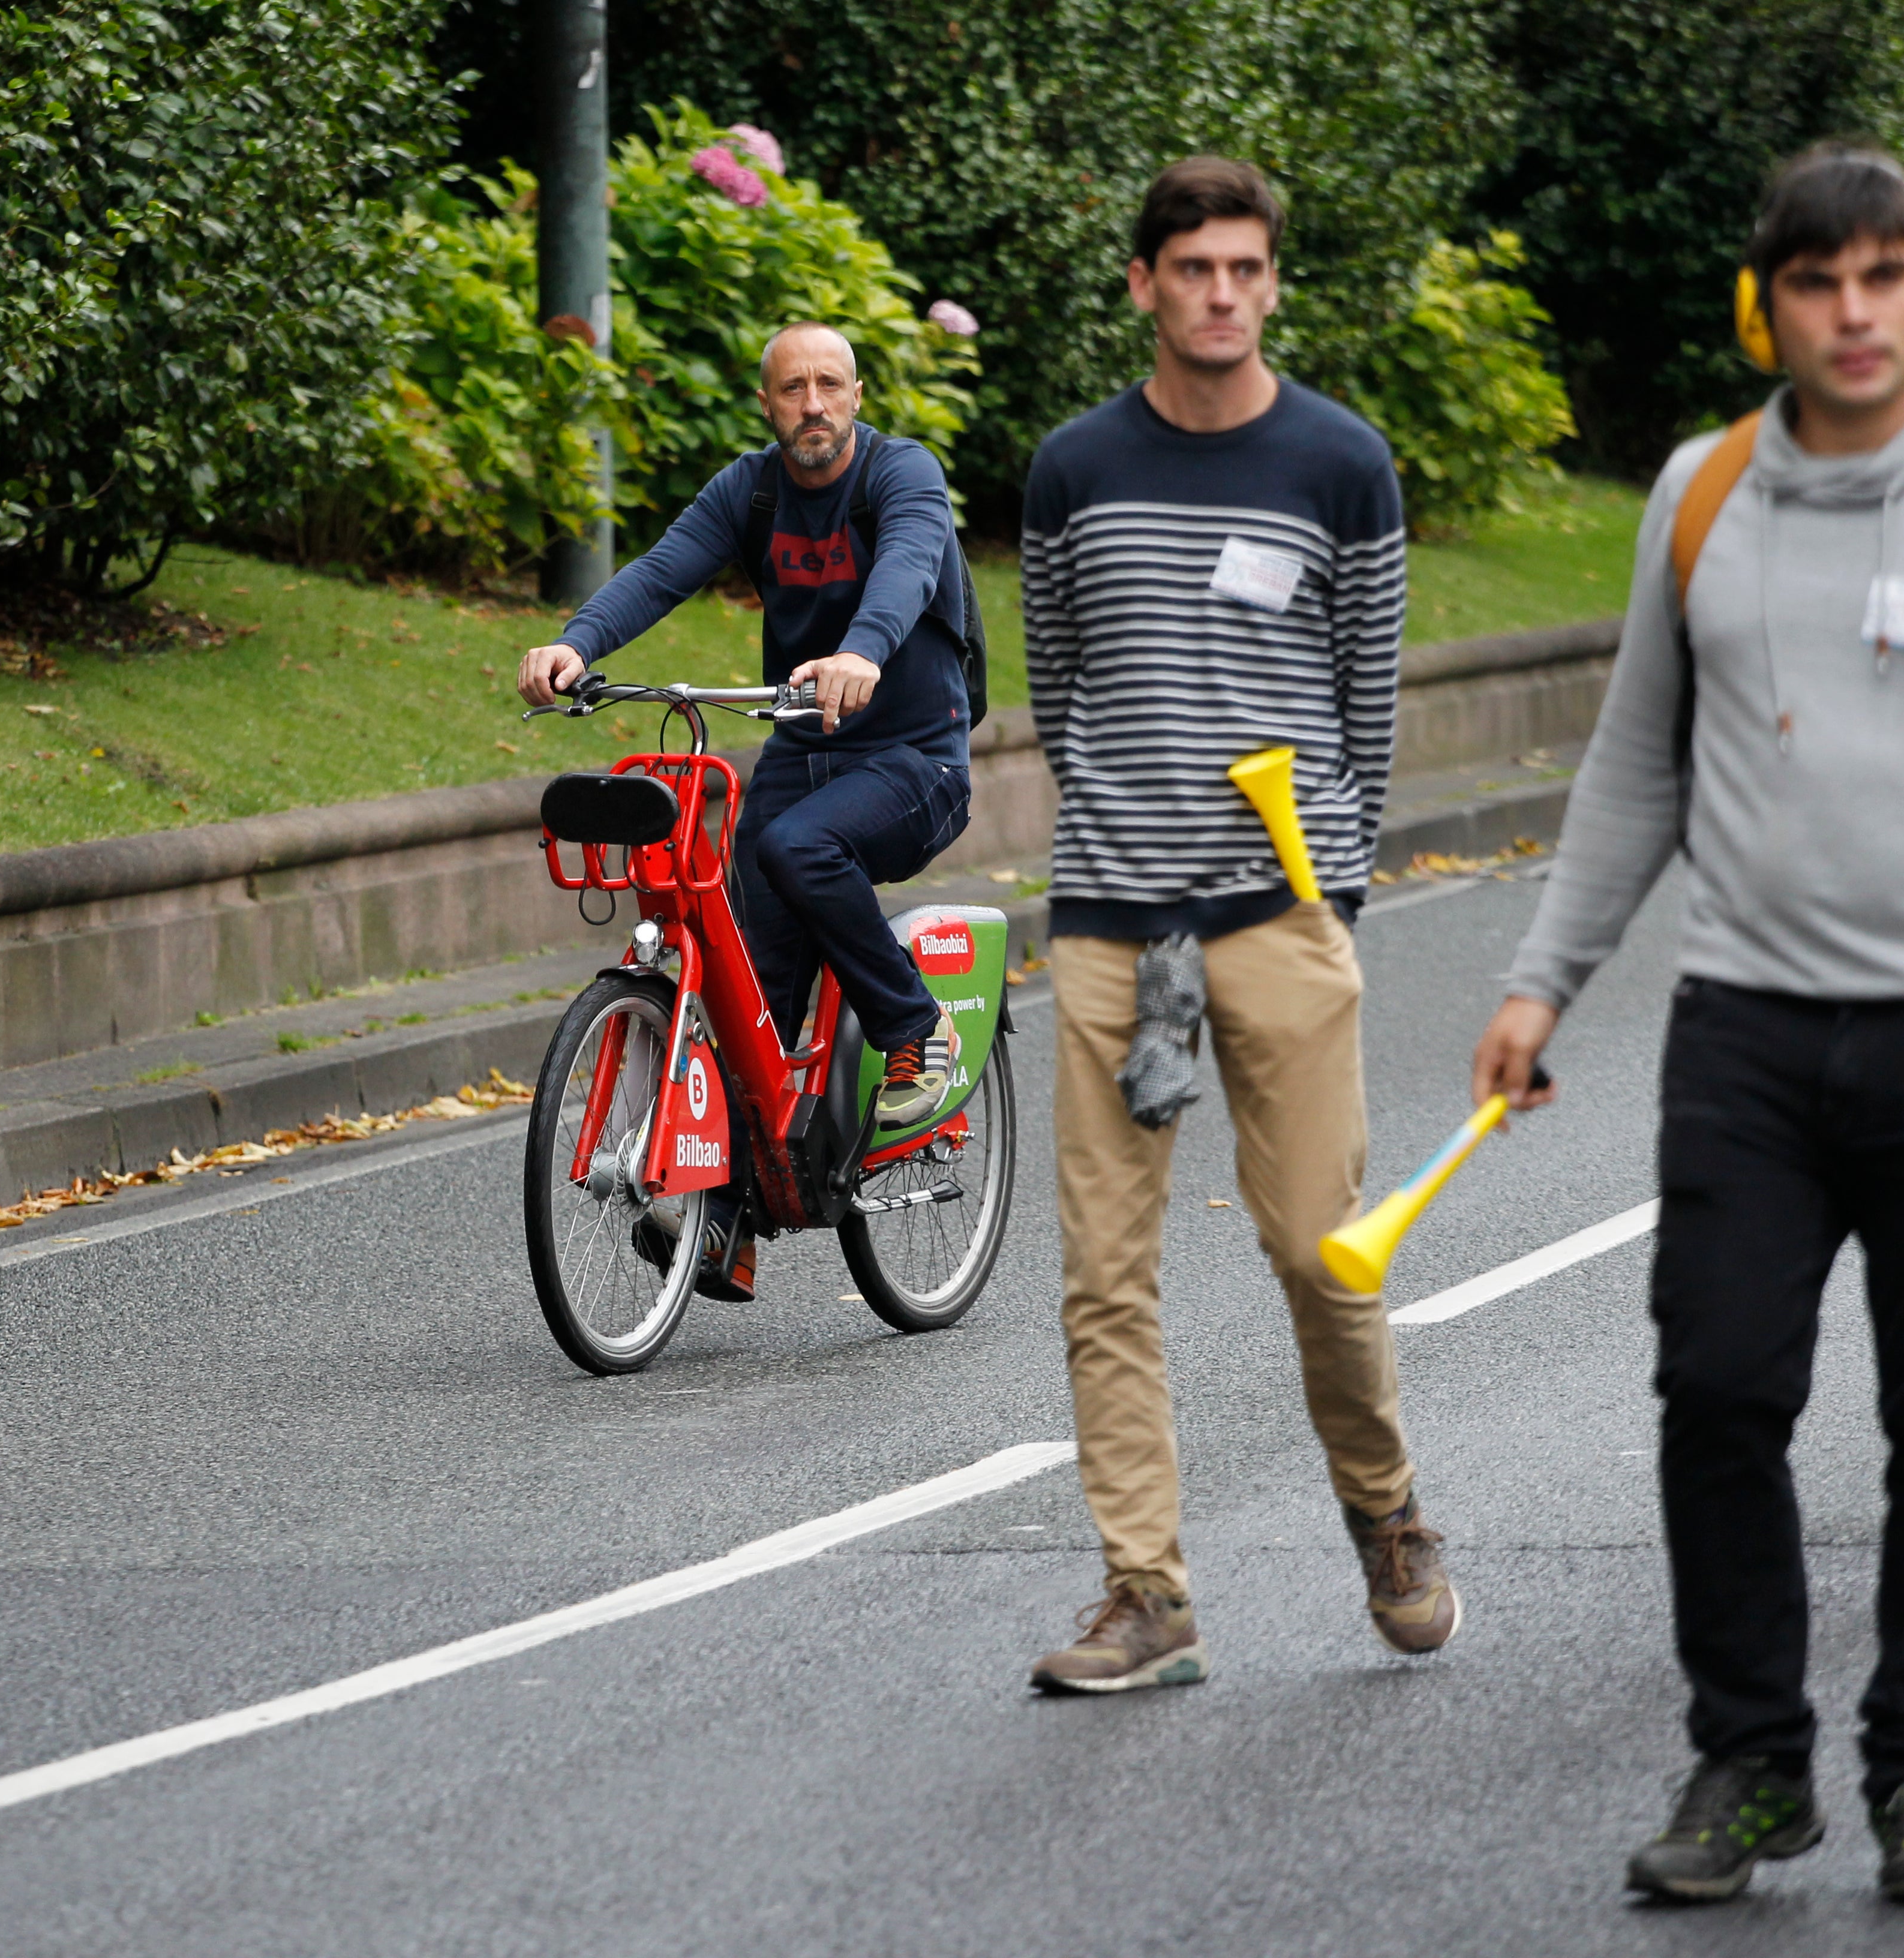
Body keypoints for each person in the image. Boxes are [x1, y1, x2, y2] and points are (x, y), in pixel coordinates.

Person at [1471, 145, 1904, 1905]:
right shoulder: (1703, 492)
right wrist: (1540, 981)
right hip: (1745, 1032)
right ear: (1768, 304)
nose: (1853, 313)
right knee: (1719, 1389)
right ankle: (1750, 1758)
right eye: (1817, 283)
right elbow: (1632, 770)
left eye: (1885, 278)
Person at [1019, 156, 1454, 1695]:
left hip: (1282, 917)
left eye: (1243, 270)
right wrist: (1129, 843)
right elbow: (1058, 691)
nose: (1218, 293)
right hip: (1105, 926)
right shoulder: (1073, 467)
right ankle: (1147, 1592)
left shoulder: (1343, 464)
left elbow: (1364, 702)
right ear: (1143, 283)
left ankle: (1387, 1517)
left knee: (1321, 1254)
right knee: (1105, 1273)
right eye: (1190, 268)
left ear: (1273, 283)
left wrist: (1322, 894)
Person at [516, 321, 979, 1296]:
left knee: (799, 850)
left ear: (856, 395)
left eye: (829, 385)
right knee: (740, 974)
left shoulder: (904, 475)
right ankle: (728, 1215)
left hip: (914, 756)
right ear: (767, 406)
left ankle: (913, 1029)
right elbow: (662, 568)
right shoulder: (752, 490)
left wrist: (864, 652)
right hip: (804, 747)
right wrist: (577, 644)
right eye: (791, 390)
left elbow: (907, 567)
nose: (812, 404)